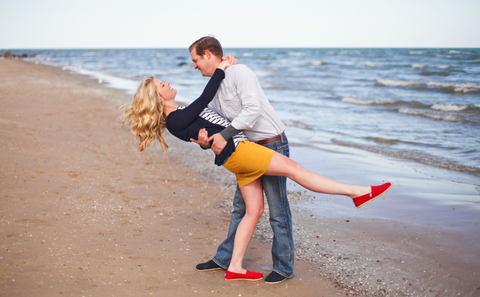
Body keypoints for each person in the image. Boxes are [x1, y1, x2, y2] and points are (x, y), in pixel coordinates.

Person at [122, 59, 392, 281]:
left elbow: (205, 132)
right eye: (162, 84)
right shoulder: (176, 116)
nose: (168, 84)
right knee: (295, 170)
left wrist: (205, 141)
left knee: (254, 211)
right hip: (241, 151)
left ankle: (235, 266)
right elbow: (205, 97)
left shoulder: (179, 114)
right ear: (158, 96)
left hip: (234, 155)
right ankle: (357, 192)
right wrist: (222, 69)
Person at [189, 36, 295, 284]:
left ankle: (284, 266)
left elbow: (252, 111)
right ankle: (225, 259)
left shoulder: (240, 72)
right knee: (241, 208)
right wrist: (206, 141)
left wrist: (223, 137)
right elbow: (216, 125)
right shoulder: (214, 92)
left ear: (207, 54)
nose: (194, 66)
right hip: (247, 150)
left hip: (272, 144)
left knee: (277, 211)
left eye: (195, 60)